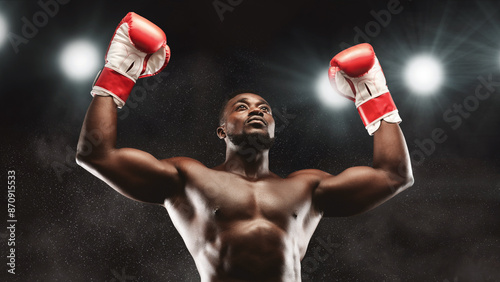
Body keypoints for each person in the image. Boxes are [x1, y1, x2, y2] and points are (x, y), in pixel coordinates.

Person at [76, 12, 414, 282]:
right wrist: (117, 73)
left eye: (264, 109)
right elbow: (96, 154)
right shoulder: (189, 177)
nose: (256, 110)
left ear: (274, 129)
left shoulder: (306, 187)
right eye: (242, 106)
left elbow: (394, 175)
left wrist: (375, 97)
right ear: (221, 131)